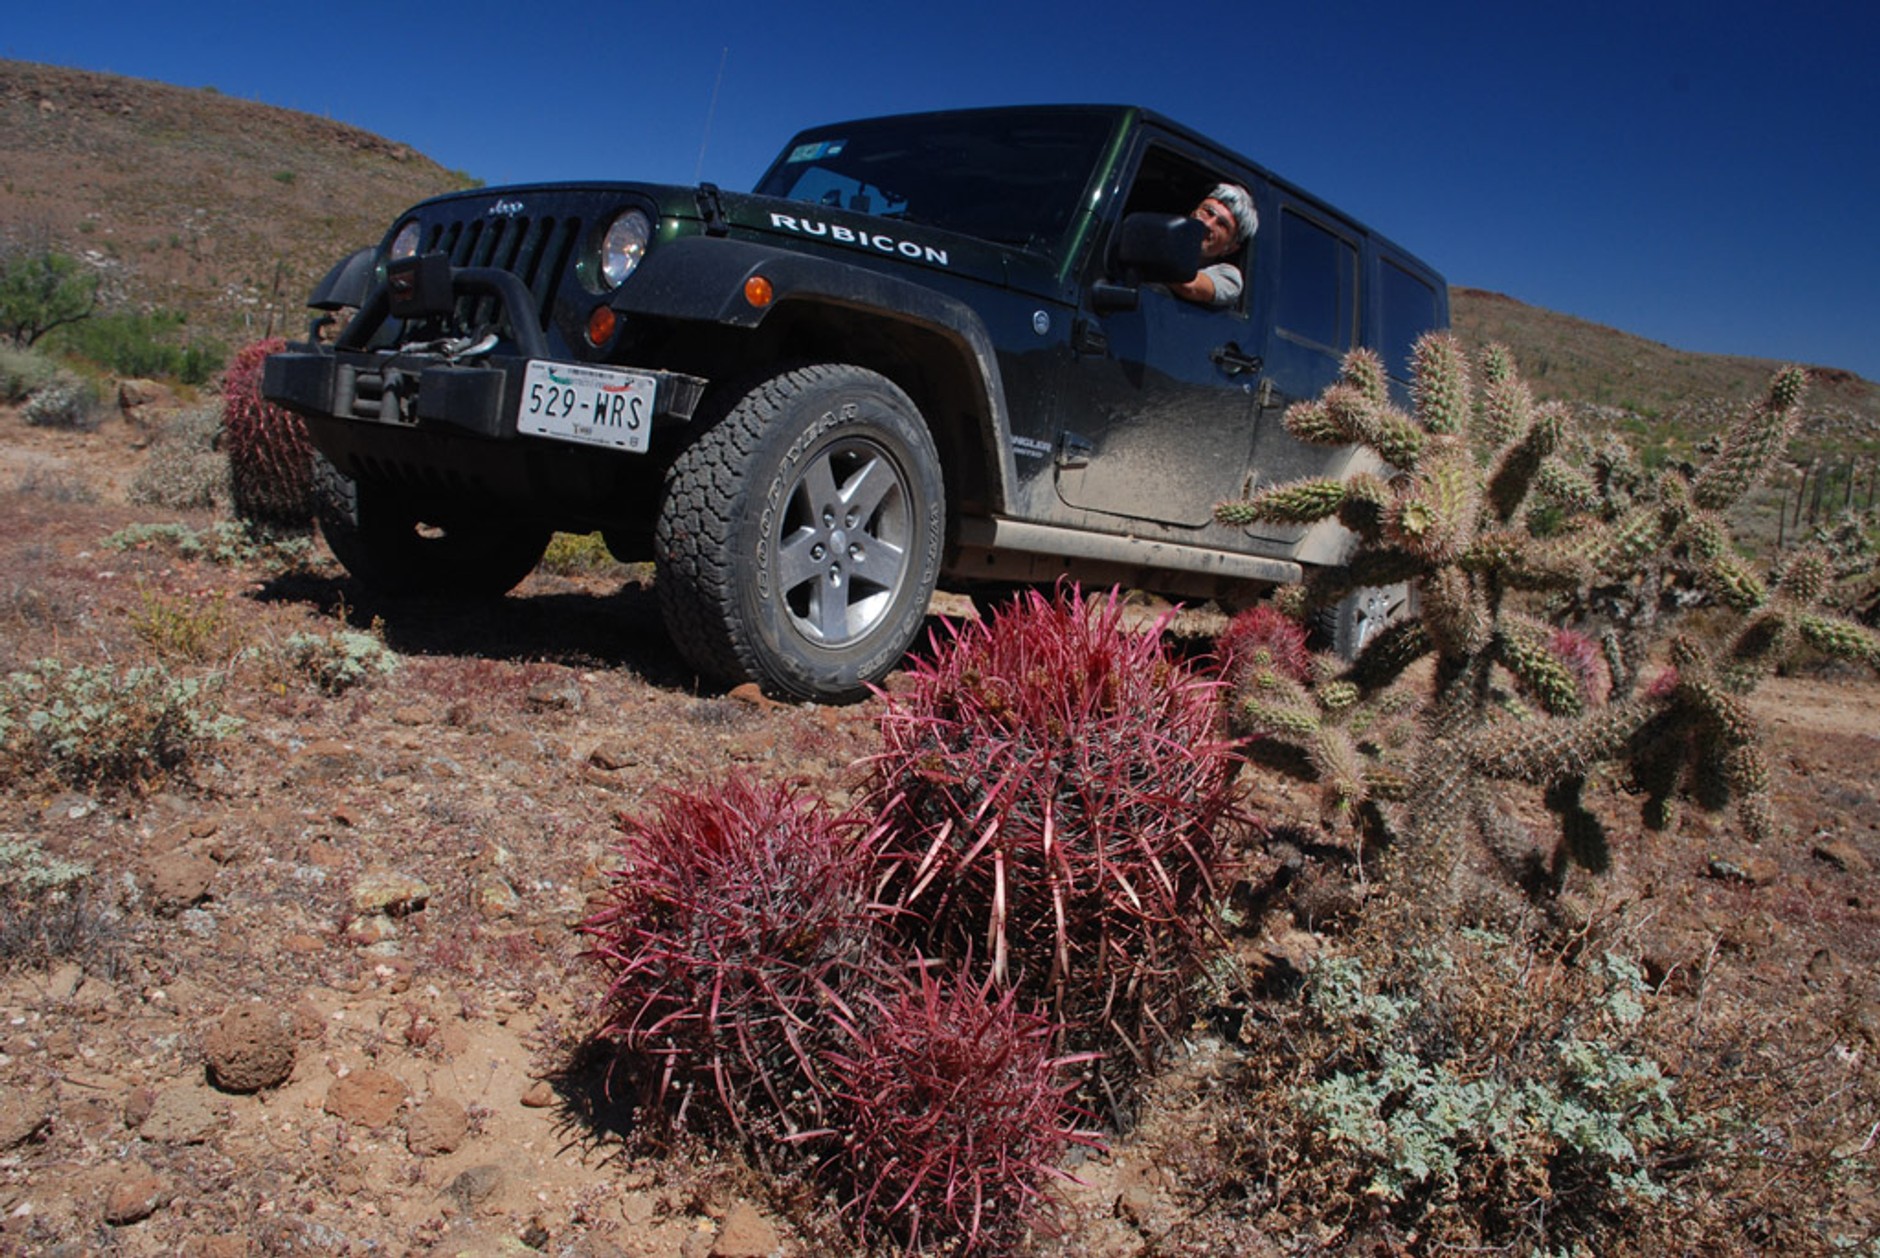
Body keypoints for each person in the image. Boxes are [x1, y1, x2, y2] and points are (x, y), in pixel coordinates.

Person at [1168, 183, 1258, 308]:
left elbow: (1188, 285)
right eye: (1208, 212)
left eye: (1222, 225)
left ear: (1230, 248)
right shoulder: (1161, 236)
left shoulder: (1228, 277)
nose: (1208, 225)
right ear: (1193, 212)